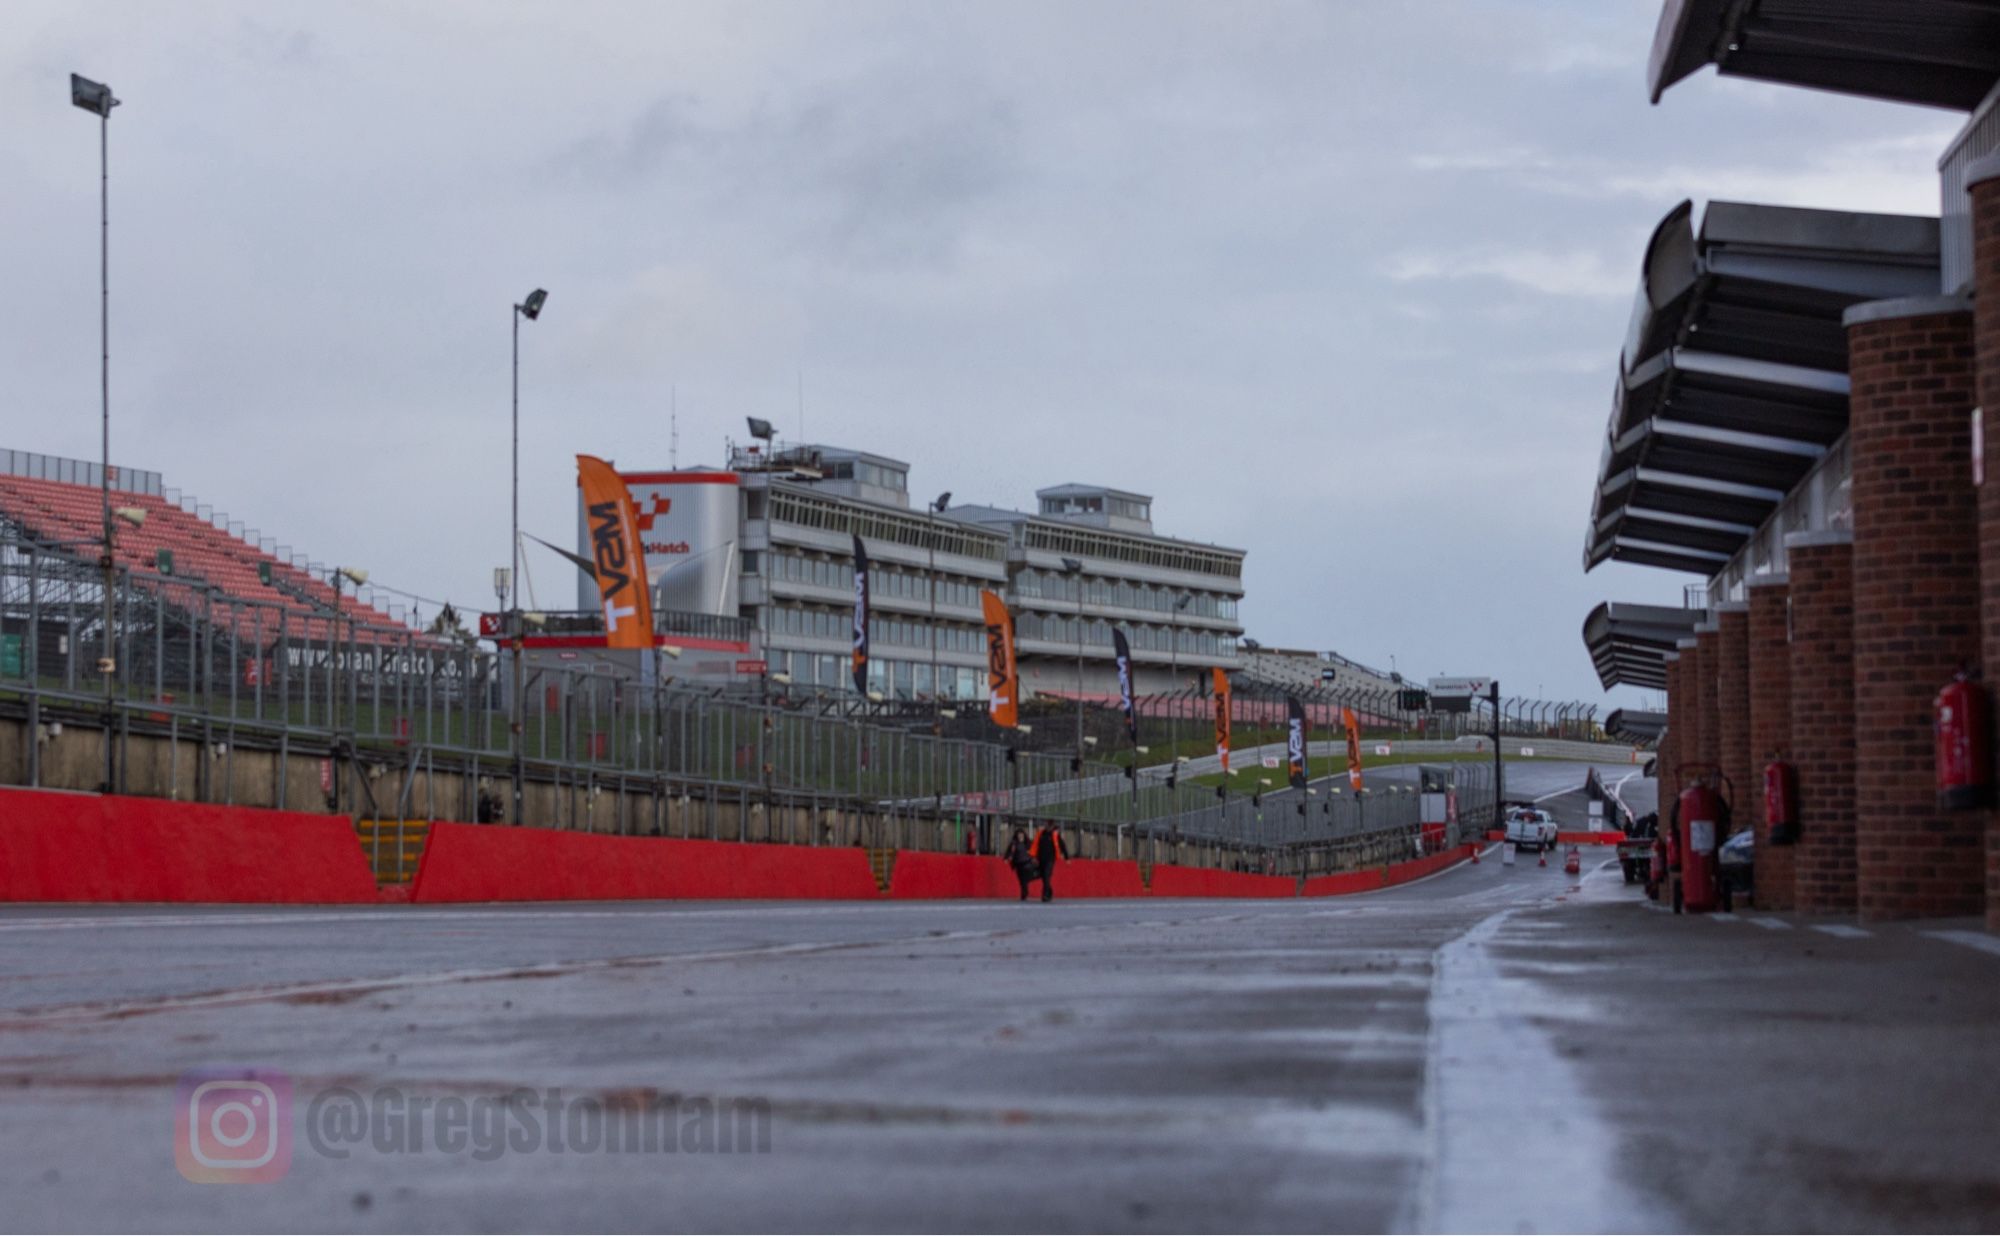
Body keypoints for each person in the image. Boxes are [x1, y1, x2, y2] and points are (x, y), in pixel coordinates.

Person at [1032, 822, 1068, 903]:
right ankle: (1049, 892)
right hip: (1041, 859)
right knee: (1044, 878)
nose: (1048, 827)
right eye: (1047, 825)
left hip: (1050, 860)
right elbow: (1035, 845)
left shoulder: (1055, 835)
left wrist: (1066, 857)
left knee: (1047, 876)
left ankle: (1045, 895)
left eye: (1050, 826)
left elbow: (1062, 845)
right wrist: (1034, 857)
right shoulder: (1041, 834)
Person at [1003, 827, 1036, 901]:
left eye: (1021, 834)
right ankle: (1024, 892)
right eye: (1018, 834)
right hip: (1018, 864)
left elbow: (1033, 851)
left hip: (1027, 863)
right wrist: (1006, 858)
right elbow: (1009, 852)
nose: (1020, 836)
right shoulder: (1014, 844)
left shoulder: (1028, 843)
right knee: (1021, 880)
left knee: (1025, 878)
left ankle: (1024, 892)